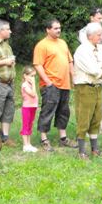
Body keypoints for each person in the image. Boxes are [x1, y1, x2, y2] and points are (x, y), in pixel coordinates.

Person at [33, 19, 77, 152]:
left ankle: (63, 138)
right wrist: (47, 82)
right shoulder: (42, 45)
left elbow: (70, 61)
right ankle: (44, 139)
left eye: (59, 28)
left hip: (65, 84)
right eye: (56, 28)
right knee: (48, 111)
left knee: (64, 111)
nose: (59, 30)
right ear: (48, 29)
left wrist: (73, 76)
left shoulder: (62, 43)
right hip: (51, 85)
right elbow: (37, 65)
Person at [73, 23, 102, 159]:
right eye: (99, 35)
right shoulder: (82, 50)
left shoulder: (101, 49)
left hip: (97, 87)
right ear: (90, 36)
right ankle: (81, 152)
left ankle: (95, 149)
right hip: (85, 87)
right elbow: (93, 69)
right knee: (84, 118)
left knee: (96, 118)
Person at [79, 7, 102, 135]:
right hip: (90, 70)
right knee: (89, 100)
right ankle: (87, 127)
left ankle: (101, 123)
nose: (101, 21)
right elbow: (88, 46)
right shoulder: (84, 31)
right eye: (99, 18)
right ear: (91, 18)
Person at [20, 66, 39, 153]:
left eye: (34, 76)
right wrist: (34, 84)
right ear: (25, 76)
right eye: (31, 76)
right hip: (27, 108)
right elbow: (33, 94)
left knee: (30, 124)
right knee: (26, 125)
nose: (33, 78)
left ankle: (29, 143)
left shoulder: (31, 84)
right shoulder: (25, 85)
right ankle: (25, 145)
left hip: (33, 107)